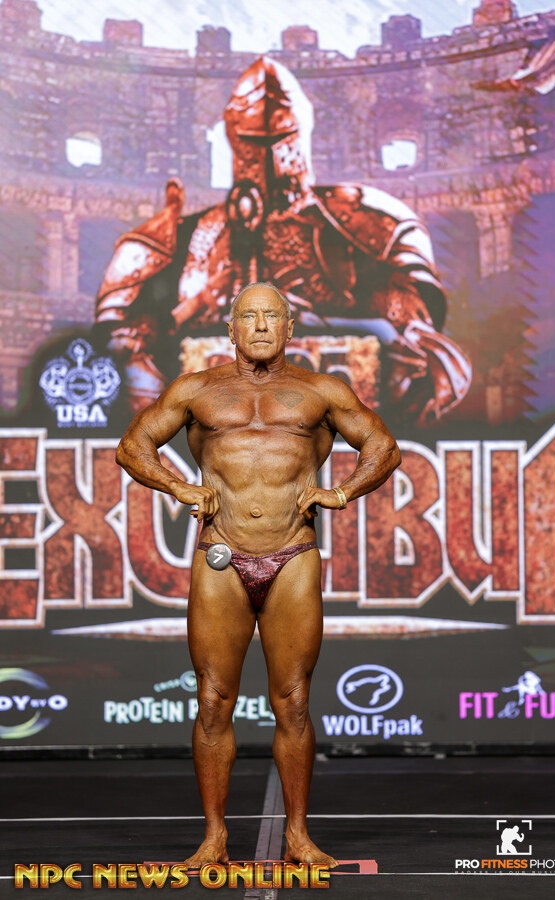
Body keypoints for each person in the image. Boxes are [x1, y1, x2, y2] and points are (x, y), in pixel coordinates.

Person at [115, 282, 402, 868]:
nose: (263, 325)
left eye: (273, 315)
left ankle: (297, 836)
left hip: (292, 554)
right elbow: (132, 445)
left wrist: (341, 491)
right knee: (212, 700)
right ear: (232, 327)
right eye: (250, 315)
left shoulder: (321, 391)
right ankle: (213, 838)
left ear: (290, 327)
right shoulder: (197, 389)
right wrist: (177, 485)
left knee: (293, 701)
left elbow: (383, 446)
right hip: (220, 554)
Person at [97, 56, 470, 423]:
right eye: (253, 140)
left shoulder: (369, 220)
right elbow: (119, 348)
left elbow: (420, 338)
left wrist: (334, 323)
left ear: (301, 133)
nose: (269, 156)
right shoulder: (186, 234)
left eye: (280, 138)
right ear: (233, 137)